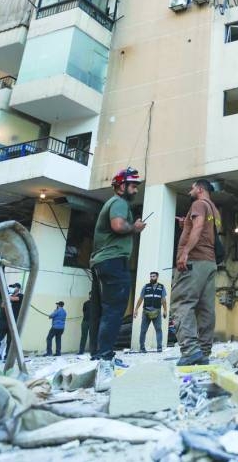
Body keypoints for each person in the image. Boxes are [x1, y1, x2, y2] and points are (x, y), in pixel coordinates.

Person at [91, 167, 146, 389]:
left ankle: (100, 355)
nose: (135, 189)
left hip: (102, 261)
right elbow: (118, 225)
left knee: (104, 310)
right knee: (114, 310)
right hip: (113, 261)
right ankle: (105, 358)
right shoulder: (119, 203)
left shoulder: (113, 203)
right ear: (121, 186)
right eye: (132, 185)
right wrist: (135, 227)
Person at [171, 180, 219, 366]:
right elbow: (206, 231)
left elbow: (198, 227)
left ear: (200, 189)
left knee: (182, 303)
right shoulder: (214, 209)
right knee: (206, 308)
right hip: (209, 263)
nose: (189, 191)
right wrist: (186, 225)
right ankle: (203, 352)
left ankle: (190, 350)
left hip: (194, 261)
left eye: (192, 188)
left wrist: (185, 252)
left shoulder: (198, 204)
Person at [134, 271, 167, 353]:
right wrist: (136, 309)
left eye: (153, 276)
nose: (152, 278)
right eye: (151, 276)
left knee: (158, 329)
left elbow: (163, 300)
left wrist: (165, 310)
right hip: (146, 312)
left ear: (157, 277)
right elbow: (141, 298)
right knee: (143, 330)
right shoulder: (146, 287)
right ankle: (142, 348)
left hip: (157, 312)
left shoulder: (161, 287)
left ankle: (159, 348)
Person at [0, 282, 24, 362]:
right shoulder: (8, 296)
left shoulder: (21, 296)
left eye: (15, 287)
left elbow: (13, 299)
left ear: (18, 288)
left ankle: (7, 357)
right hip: (3, 321)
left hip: (13, 322)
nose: (13, 288)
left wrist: (6, 294)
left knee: (10, 341)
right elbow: (2, 305)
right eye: (12, 287)